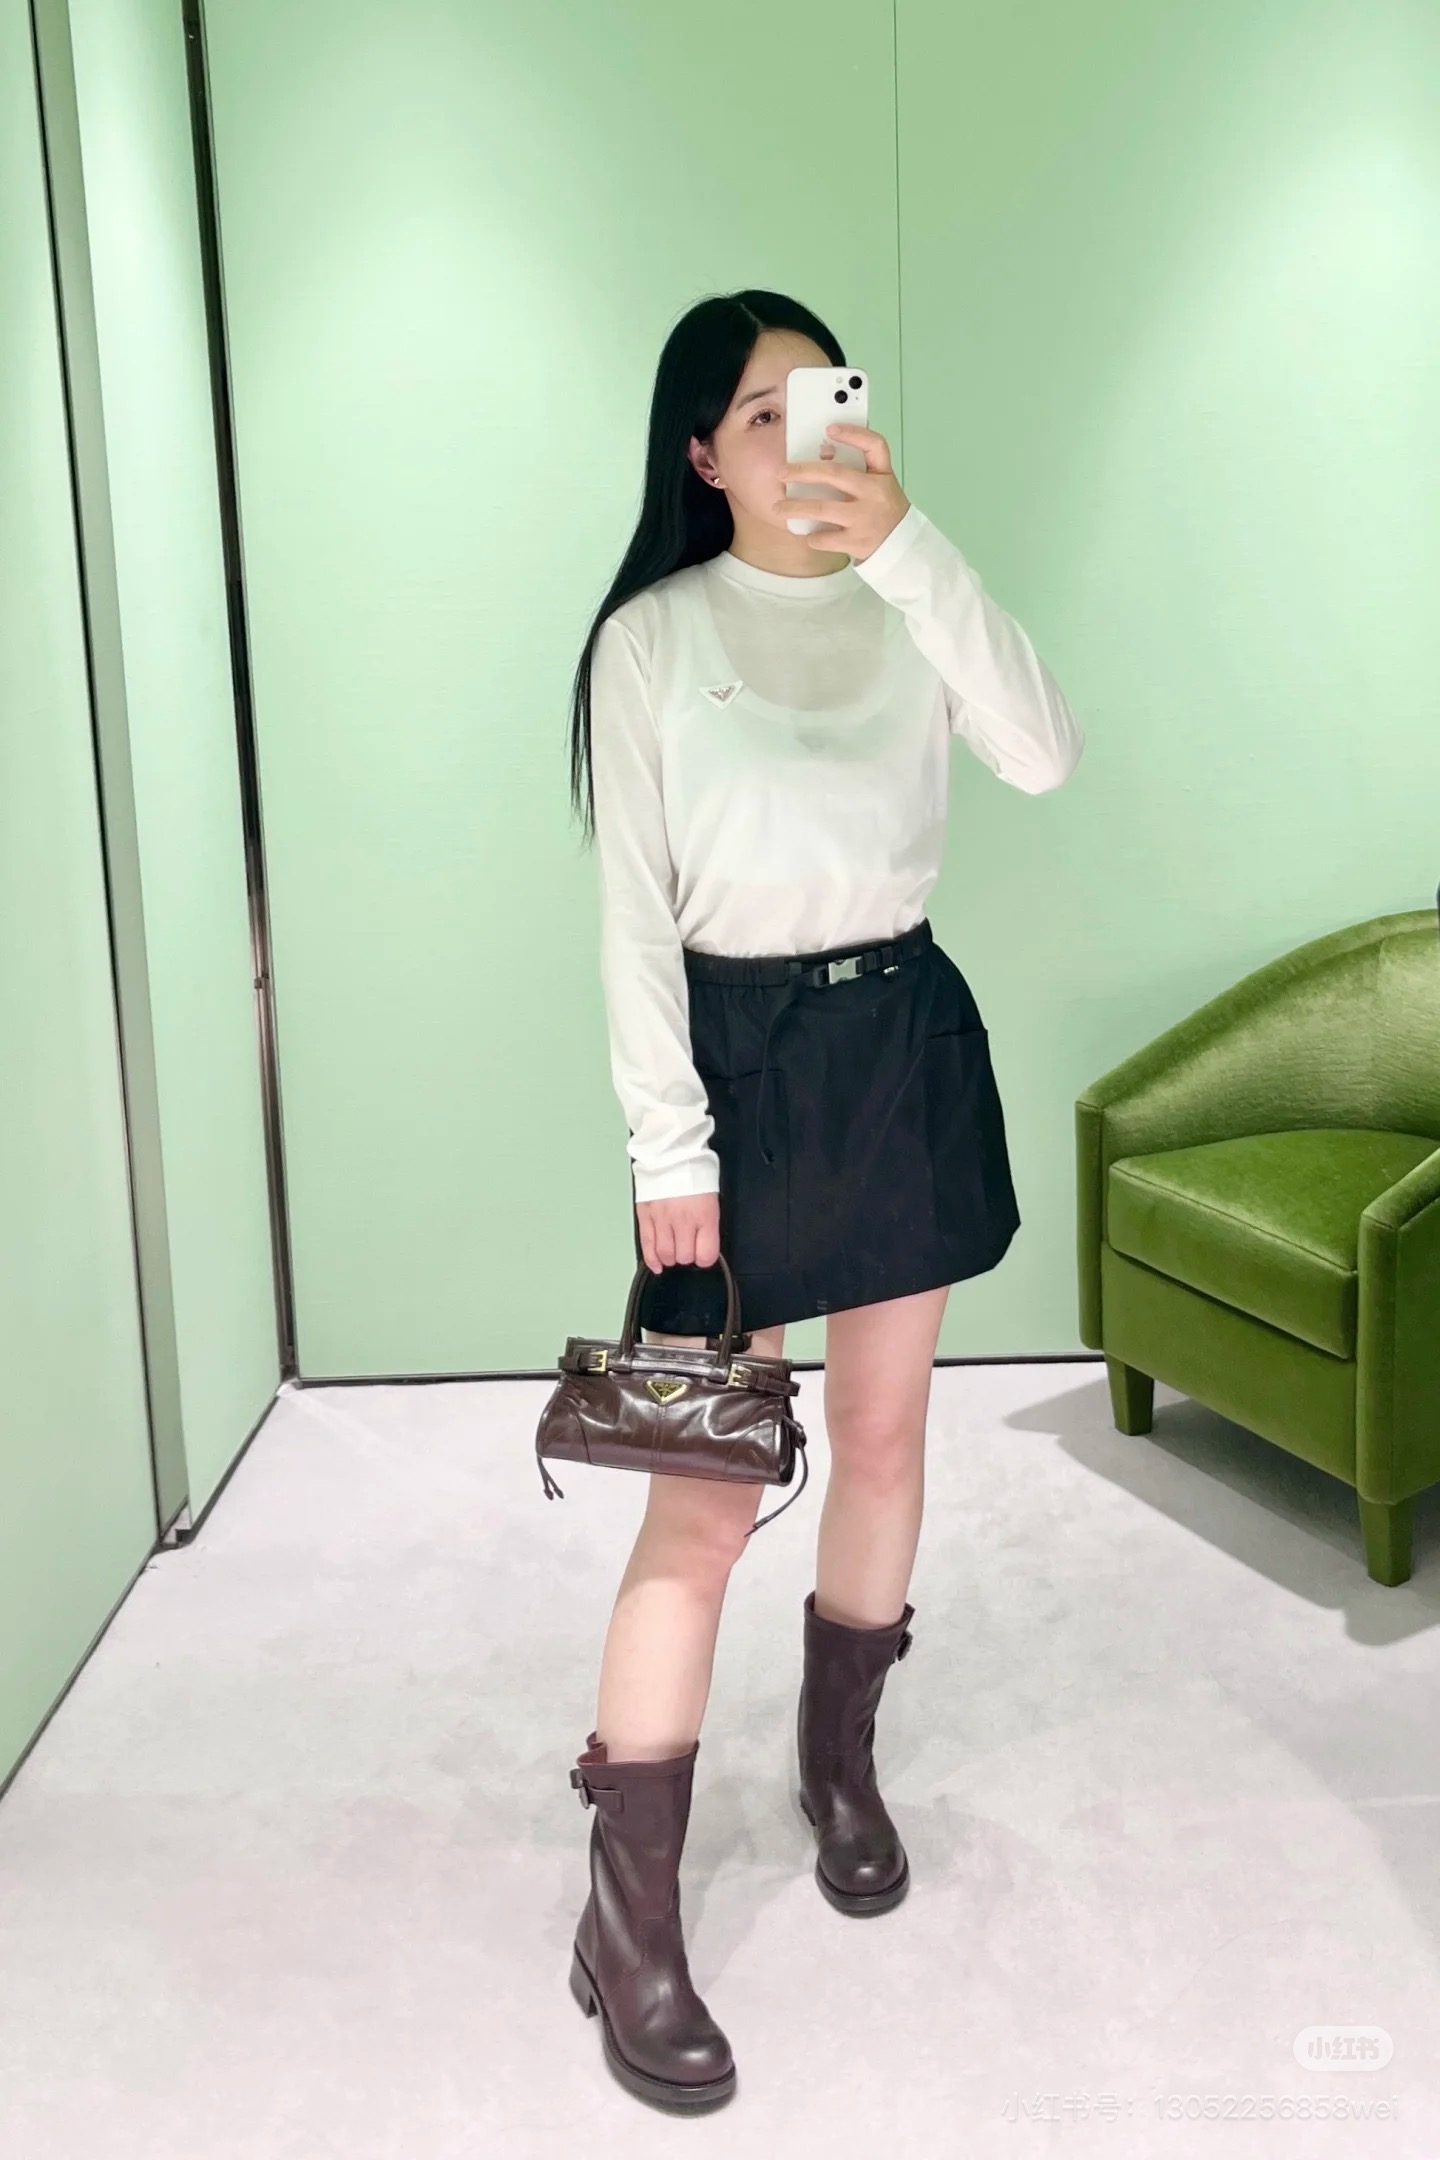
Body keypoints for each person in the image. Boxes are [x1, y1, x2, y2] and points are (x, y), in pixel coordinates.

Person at [562, 289, 1084, 2112]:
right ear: (703, 453)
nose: (806, 438)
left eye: (827, 401)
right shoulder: (651, 640)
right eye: (764, 412)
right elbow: (634, 918)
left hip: (900, 1038)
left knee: (880, 1438)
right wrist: (669, 1149)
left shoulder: (905, 598)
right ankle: (627, 1915)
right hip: (737, 1070)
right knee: (708, 1494)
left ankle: (838, 1762)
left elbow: (1044, 751)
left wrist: (913, 546)